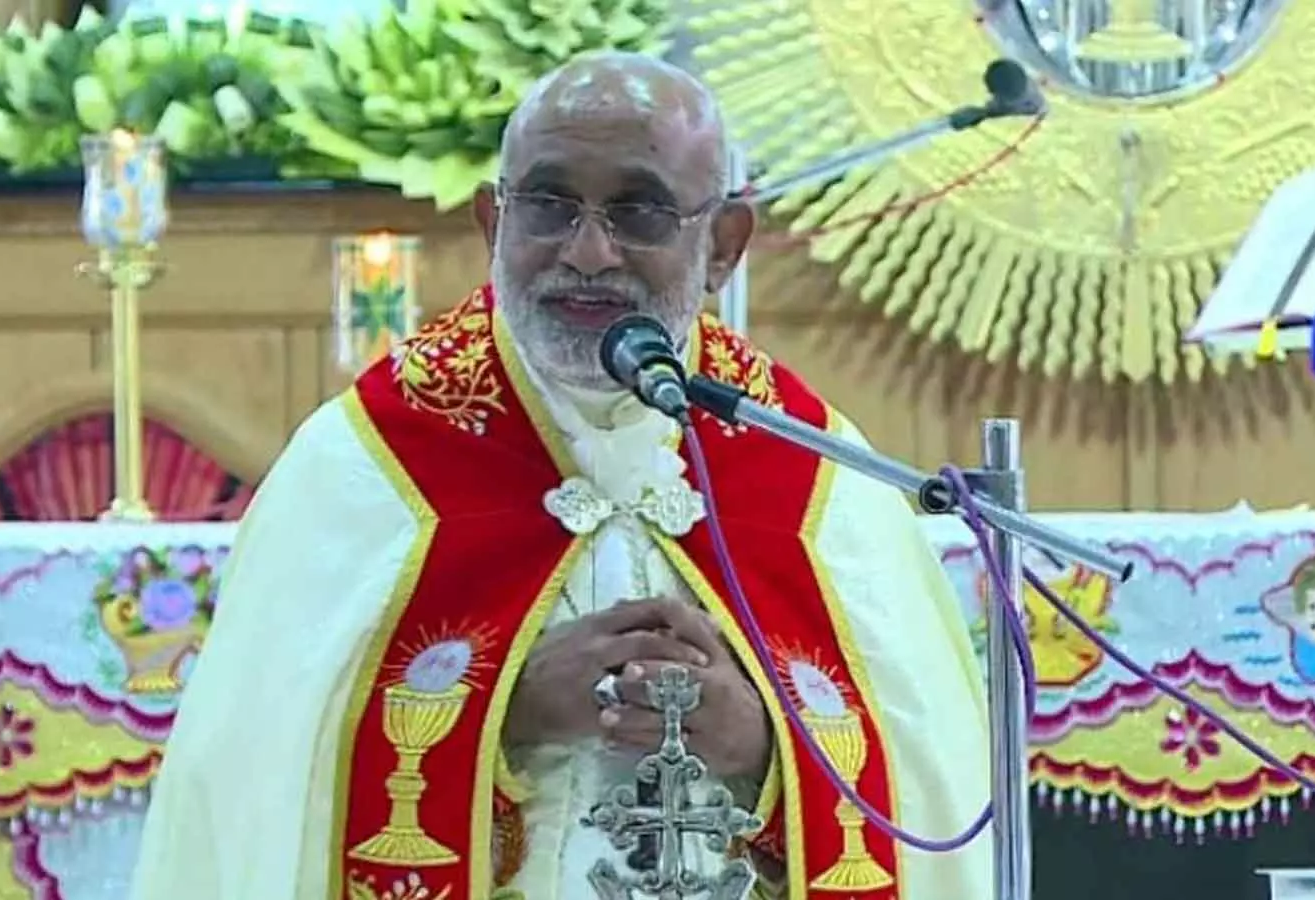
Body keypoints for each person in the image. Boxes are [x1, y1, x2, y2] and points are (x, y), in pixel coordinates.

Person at [129, 52, 990, 900]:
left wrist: (766, 752)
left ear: (724, 245)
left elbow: (930, 775)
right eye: (547, 205)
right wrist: (503, 714)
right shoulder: (367, 461)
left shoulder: (809, 466)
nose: (587, 252)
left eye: (640, 212)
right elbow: (250, 780)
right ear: (492, 222)